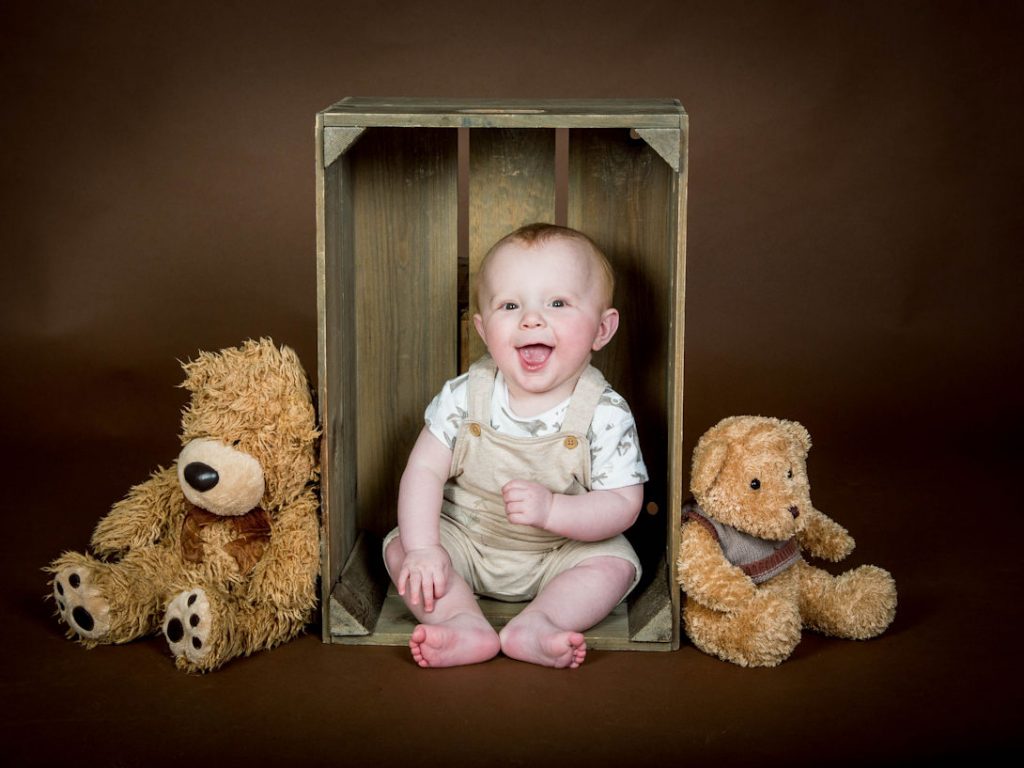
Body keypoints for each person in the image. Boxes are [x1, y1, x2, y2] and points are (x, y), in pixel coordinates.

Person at [383, 223, 647, 669]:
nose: (531, 319)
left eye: (558, 303)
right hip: (467, 538)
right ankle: (460, 621)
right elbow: (423, 471)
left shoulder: (605, 413)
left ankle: (542, 622)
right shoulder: (465, 396)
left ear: (602, 329)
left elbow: (624, 502)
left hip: (561, 552)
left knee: (613, 566)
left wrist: (553, 512)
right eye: (510, 305)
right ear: (485, 330)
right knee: (402, 549)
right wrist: (427, 548)